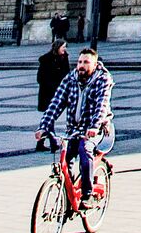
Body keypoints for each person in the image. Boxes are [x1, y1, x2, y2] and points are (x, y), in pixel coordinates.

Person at [35, 46, 114, 205]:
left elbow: (101, 105)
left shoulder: (103, 79)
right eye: (79, 62)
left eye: (86, 62)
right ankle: (69, 197)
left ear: (95, 64)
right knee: (66, 156)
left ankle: (87, 194)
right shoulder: (70, 79)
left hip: (97, 129)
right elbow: (56, 103)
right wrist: (43, 126)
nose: (81, 66)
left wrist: (94, 126)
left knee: (84, 150)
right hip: (73, 130)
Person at [36, 38, 72, 128]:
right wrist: (50, 84)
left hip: (60, 91)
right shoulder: (45, 59)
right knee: (49, 115)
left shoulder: (64, 58)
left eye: (65, 47)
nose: (65, 49)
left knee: (53, 115)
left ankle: (45, 136)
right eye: (63, 47)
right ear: (57, 47)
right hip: (48, 92)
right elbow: (40, 77)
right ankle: (45, 137)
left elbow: (67, 73)